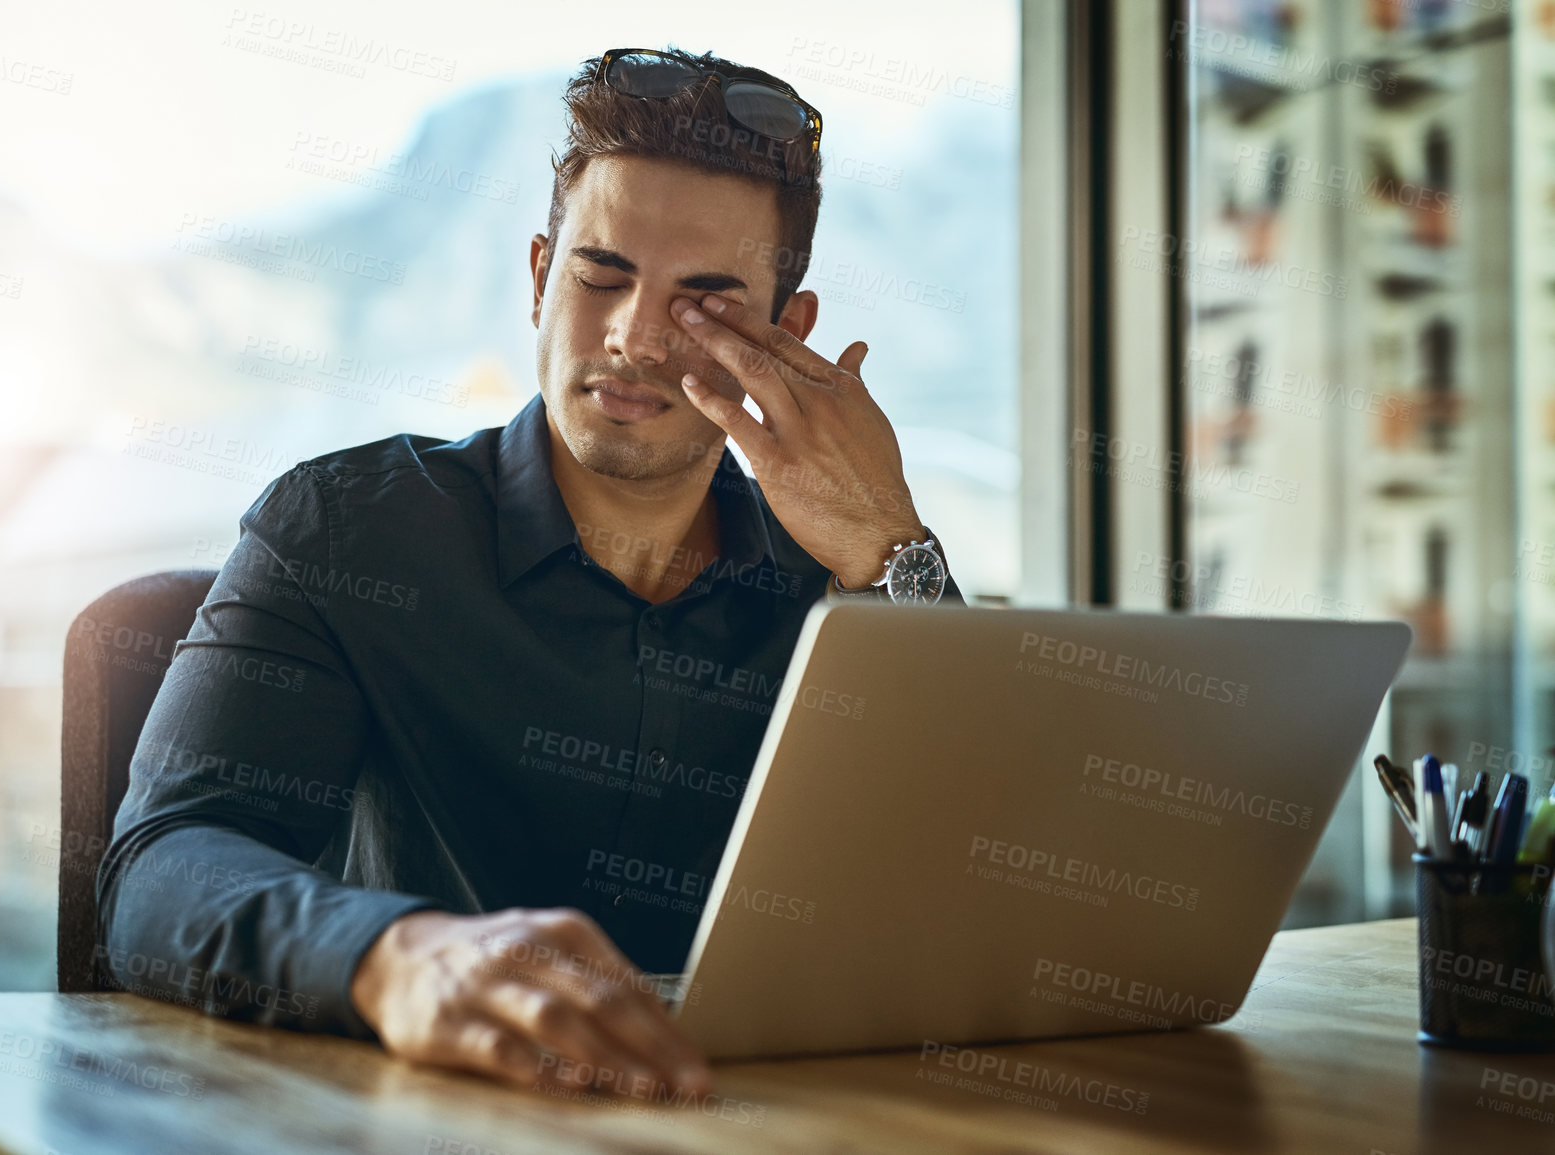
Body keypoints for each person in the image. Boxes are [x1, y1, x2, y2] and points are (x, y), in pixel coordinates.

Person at [97, 45, 959, 1101]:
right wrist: (396, 955)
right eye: (602, 277)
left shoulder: (849, 576)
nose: (635, 338)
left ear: (787, 336)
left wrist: (893, 553)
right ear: (542, 277)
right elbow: (161, 870)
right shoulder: (345, 531)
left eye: (705, 304)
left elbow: (980, 898)